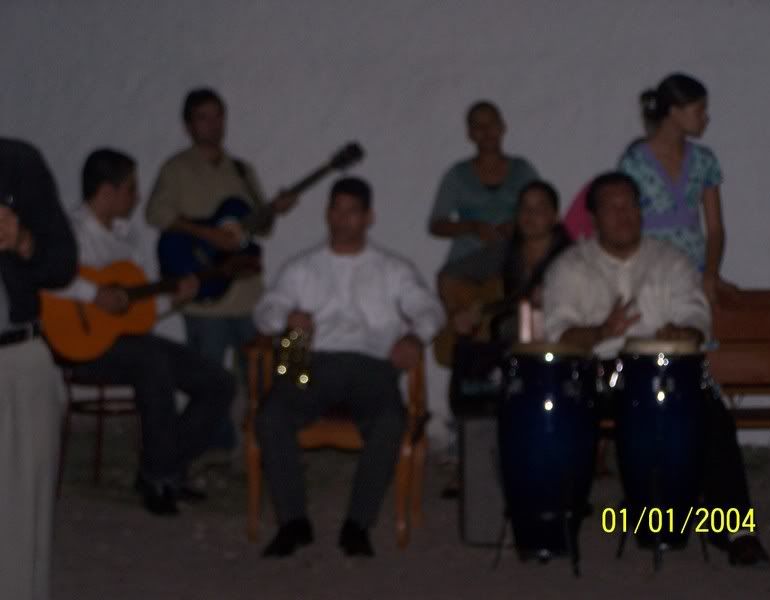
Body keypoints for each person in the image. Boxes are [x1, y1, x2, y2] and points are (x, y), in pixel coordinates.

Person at [542, 171, 770, 567]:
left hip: (667, 372)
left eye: (631, 204)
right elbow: (556, 332)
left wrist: (682, 332)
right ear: (594, 218)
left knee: (713, 416)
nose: (624, 214)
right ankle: (554, 522)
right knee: (554, 412)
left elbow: (696, 316)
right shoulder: (571, 266)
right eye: (612, 207)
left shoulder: (670, 260)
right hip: (599, 375)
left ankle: (735, 530)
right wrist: (600, 331)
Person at [254, 177, 444, 557]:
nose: (342, 220)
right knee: (271, 414)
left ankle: (358, 524)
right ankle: (293, 522)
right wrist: (286, 319)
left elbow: (430, 310)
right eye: (336, 210)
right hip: (305, 354)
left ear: (368, 217)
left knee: (390, 419)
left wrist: (414, 337)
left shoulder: (392, 268)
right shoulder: (302, 266)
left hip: (370, 360)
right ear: (327, 214)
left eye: (352, 212)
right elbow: (265, 310)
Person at [56, 149, 236, 515]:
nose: (138, 197)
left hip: (124, 340)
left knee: (218, 381)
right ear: (107, 191)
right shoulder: (67, 232)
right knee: (152, 362)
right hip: (78, 345)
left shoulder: (127, 236)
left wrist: (175, 299)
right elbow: (46, 279)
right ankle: (159, 478)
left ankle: (163, 468)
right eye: (131, 189)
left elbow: (138, 311)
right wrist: (93, 294)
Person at [146, 88, 297, 451]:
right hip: (205, 296)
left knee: (263, 373)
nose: (213, 125)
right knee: (209, 380)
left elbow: (260, 228)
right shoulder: (176, 169)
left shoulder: (242, 170)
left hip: (247, 294)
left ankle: (264, 447)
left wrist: (273, 210)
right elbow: (157, 214)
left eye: (218, 116)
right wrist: (207, 234)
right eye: (203, 117)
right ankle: (212, 450)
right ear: (188, 125)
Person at [0, 138, 77, 600]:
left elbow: (62, 263)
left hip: (14, 359)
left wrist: (22, 241)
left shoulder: (16, 163)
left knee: (19, 519)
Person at [618, 73, 736, 302]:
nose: (705, 118)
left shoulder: (704, 160)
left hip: (692, 270)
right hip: (646, 271)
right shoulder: (633, 162)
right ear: (674, 112)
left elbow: (715, 228)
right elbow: (623, 223)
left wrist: (710, 273)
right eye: (699, 110)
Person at [439, 179, 572, 347]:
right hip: (506, 339)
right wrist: (456, 311)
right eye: (524, 207)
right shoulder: (506, 250)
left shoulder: (570, 258)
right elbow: (449, 276)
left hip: (554, 340)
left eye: (539, 208)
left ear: (555, 217)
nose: (530, 214)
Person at [429, 101, 540, 269]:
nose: (486, 131)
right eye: (478, 126)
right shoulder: (457, 174)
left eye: (491, 124)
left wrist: (519, 226)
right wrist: (472, 227)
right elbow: (436, 224)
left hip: (514, 261)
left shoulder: (522, 170)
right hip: (467, 263)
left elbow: (543, 212)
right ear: (470, 134)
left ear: (502, 127)